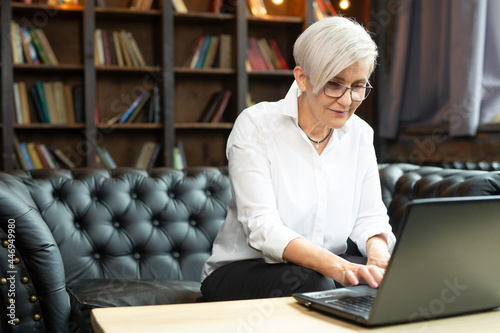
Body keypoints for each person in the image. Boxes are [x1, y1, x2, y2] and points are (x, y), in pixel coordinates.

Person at [201, 16, 396, 301]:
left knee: (384, 281)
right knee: (315, 282)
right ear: (302, 78)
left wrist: (378, 258)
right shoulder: (256, 125)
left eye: (358, 86)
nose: (346, 100)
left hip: (326, 269)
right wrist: (339, 267)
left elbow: (369, 218)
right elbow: (262, 228)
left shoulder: (360, 135)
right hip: (244, 270)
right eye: (334, 84)